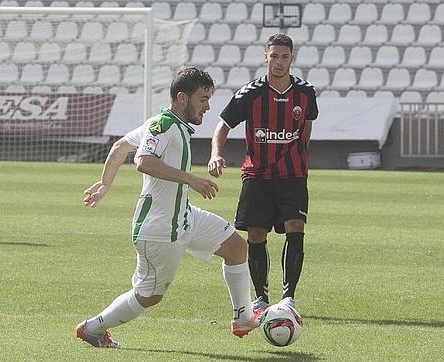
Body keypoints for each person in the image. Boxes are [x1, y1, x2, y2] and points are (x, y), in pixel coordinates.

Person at [76, 67, 262, 349]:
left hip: (184, 217)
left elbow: (120, 146)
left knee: (236, 247)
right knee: (149, 296)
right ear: (182, 97)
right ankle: (92, 328)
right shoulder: (161, 125)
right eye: (202, 99)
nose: (207, 106)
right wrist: (192, 179)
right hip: (160, 229)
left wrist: (104, 184)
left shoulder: (169, 125)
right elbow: (143, 161)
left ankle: (243, 318)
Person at [208, 34, 319, 311]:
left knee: (296, 227)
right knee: (256, 233)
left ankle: (289, 296)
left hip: (292, 174)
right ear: (265, 56)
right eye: (274, 56)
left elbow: (306, 125)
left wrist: (299, 154)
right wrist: (216, 154)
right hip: (257, 175)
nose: (279, 62)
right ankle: (261, 296)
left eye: (284, 56)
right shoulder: (250, 93)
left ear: (292, 57)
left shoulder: (306, 93)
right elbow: (222, 126)